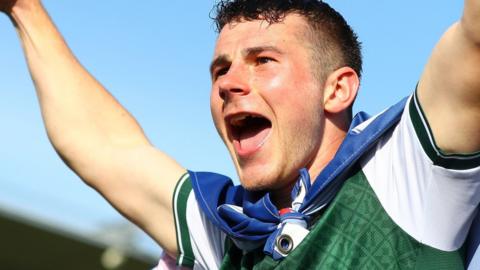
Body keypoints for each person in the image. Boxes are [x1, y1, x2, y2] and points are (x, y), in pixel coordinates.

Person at [1, 0, 479, 269]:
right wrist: (23, 8)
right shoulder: (224, 230)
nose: (228, 83)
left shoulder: (409, 175)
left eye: (263, 61)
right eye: (220, 69)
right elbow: (103, 147)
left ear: (337, 89)